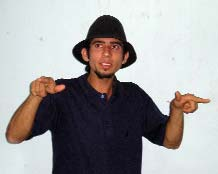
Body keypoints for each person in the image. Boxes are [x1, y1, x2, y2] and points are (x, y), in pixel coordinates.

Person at [6, 15, 210, 174]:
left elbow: (171, 142)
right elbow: (14, 136)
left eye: (114, 46)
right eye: (98, 45)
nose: (106, 53)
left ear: (124, 57)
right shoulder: (62, 93)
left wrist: (176, 110)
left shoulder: (134, 97)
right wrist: (35, 97)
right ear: (86, 54)